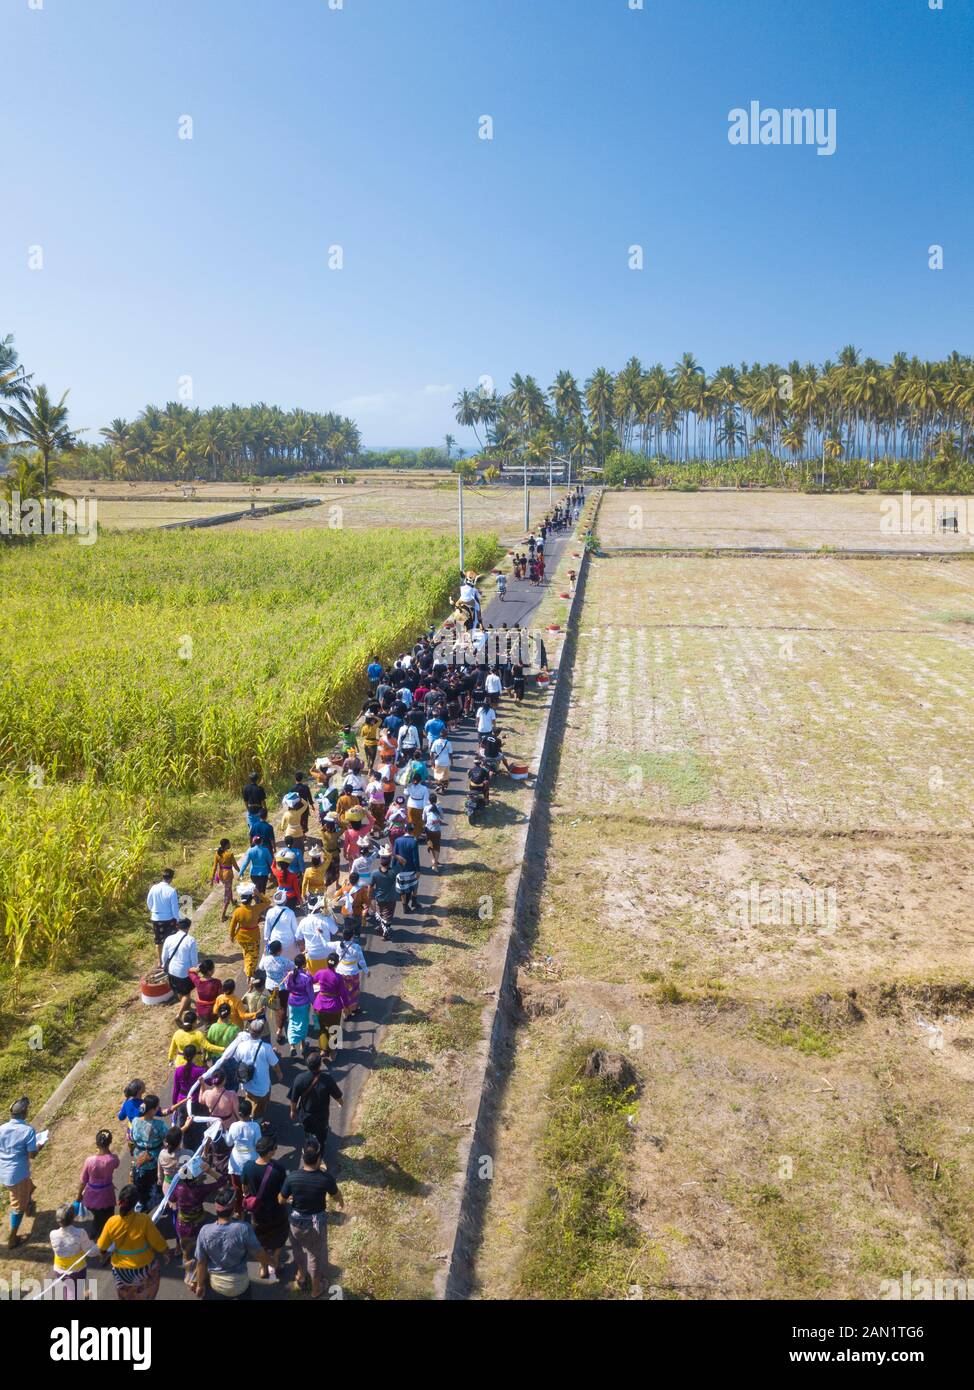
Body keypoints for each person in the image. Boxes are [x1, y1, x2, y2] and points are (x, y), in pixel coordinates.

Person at [279, 1139, 343, 1299]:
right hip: (315, 1224)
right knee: (315, 1255)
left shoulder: (292, 1177)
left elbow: (280, 1199)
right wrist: (341, 1203)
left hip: (295, 1222)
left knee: (297, 1249)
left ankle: (300, 1275)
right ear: (319, 1157)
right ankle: (316, 1288)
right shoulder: (325, 1178)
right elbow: (336, 1196)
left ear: (302, 1156)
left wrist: (288, 1199)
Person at [97, 1184, 169, 1302]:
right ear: (136, 1203)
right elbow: (157, 1241)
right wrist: (166, 1252)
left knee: (125, 1295)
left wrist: (103, 1255)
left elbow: (102, 1246)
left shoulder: (111, 1222)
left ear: (118, 1202)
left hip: (121, 1270)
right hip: (143, 1267)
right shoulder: (144, 1219)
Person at [194, 1186, 265, 1300]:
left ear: (216, 1210)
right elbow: (259, 1253)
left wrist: (200, 1285)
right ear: (233, 1210)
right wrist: (271, 1262)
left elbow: (201, 1263)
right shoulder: (244, 1228)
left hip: (217, 1286)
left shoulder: (205, 1231)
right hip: (241, 1284)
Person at [211, 1020, 282, 1118]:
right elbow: (275, 1064)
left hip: (246, 1082)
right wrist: (279, 1074)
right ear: (261, 1032)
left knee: (249, 1099)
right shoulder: (266, 1048)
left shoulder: (242, 1046)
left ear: (250, 1031)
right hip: (262, 1086)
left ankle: (248, 1115)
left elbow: (235, 1059)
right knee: (259, 1109)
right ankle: (256, 1121)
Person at [241, 1135, 288, 1283]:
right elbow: (283, 1192)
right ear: (269, 1152)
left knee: (260, 1240)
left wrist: (248, 1195)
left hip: (258, 1213)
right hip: (277, 1211)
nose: (275, 1149)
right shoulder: (278, 1169)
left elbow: (245, 1188)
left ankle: (263, 1267)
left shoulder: (248, 1167)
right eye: (274, 1148)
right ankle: (275, 1259)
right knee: (280, 1237)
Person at [287, 1049, 343, 1153]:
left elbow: (294, 1098)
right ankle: (320, 1151)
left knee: (308, 1133)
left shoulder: (299, 1078)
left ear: (307, 1064)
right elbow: (337, 1095)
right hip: (322, 1115)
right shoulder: (327, 1079)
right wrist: (340, 1102)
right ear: (320, 1065)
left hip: (305, 1115)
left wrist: (293, 1111)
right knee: (321, 1135)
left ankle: (310, 1150)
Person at [0, 1097, 38, 1249]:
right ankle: (12, 1239)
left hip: (4, 1171)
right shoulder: (28, 1130)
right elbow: (32, 1155)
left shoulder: (1, 1128)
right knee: (17, 1207)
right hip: (18, 1175)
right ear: (25, 1112)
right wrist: (38, 1146)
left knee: (31, 1187)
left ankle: (28, 1205)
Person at [77, 1129, 119, 1241]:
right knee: (109, 1217)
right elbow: (116, 1165)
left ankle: (95, 1235)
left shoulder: (89, 1161)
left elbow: (83, 1181)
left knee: (97, 1217)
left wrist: (78, 1197)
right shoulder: (113, 1159)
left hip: (92, 1197)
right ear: (110, 1142)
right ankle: (108, 1237)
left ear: (96, 1144)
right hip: (107, 1195)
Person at [50, 1203, 95, 1300]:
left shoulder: (53, 1234)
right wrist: (98, 1247)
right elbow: (90, 1252)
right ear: (73, 1218)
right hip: (77, 1270)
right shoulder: (80, 1233)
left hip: (59, 1269)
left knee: (68, 1288)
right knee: (75, 1292)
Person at [129, 1094, 167, 1210]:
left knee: (140, 1182)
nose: (158, 1109)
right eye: (157, 1108)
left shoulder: (135, 1121)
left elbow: (132, 1138)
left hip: (138, 1158)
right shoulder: (159, 1125)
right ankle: (155, 1201)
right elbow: (168, 1139)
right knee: (154, 1180)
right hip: (153, 1159)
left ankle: (140, 1202)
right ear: (153, 1109)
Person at [224, 1096, 261, 1214]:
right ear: (250, 1113)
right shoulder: (255, 1126)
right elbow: (258, 1144)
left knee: (237, 1189)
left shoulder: (234, 1126)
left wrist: (225, 1134)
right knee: (252, 1187)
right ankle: (251, 1206)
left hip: (236, 1164)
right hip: (251, 1162)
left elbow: (229, 1143)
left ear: (239, 1113)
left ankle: (239, 1210)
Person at [312, 955, 350, 1060]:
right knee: (334, 1029)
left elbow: (312, 980)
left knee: (320, 1028)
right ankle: (333, 1051)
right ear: (337, 963)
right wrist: (346, 1006)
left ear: (326, 962)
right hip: (334, 1007)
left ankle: (323, 1050)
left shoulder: (320, 972)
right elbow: (343, 994)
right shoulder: (338, 977)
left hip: (318, 1006)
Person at [228, 881, 265, 979]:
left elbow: (232, 925)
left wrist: (231, 936)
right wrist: (258, 894)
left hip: (241, 937)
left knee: (246, 953)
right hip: (253, 937)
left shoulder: (237, 911)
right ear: (251, 899)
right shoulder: (256, 908)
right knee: (253, 956)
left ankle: (248, 969)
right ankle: (249, 974)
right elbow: (268, 902)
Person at [160, 916, 199, 1002]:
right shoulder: (191, 940)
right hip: (184, 973)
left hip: (171, 971)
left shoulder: (169, 938)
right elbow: (194, 959)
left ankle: (182, 1003)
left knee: (178, 991)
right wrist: (195, 969)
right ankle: (184, 1009)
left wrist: (163, 965)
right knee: (186, 994)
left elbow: (164, 956)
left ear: (178, 927)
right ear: (188, 927)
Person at [146, 868, 180, 964]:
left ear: (162, 877)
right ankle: (169, 959)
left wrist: (154, 911)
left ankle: (160, 961)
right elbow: (175, 909)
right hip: (169, 919)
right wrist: (177, 920)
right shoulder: (171, 891)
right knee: (170, 939)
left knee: (158, 941)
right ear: (171, 878)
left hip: (156, 919)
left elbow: (149, 903)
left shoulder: (153, 888)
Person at [283, 954, 315, 1057]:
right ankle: (302, 1044)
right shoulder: (307, 977)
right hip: (304, 1003)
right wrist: (314, 1003)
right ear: (304, 964)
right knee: (303, 1023)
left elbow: (287, 987)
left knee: (292, 1021)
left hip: (292, 1001)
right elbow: (310, 992)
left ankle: (292, 1045)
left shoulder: (290, 975)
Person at [332, 927, 368, 1017]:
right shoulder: (356, 947)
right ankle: (353, 1008)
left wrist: (319, 935)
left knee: (342, 991)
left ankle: (344, 1009)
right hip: (352, 973)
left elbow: (326, 945)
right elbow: (361, 961)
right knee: (354, 991)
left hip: (341, 972)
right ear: (352, 937)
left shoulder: (338, 945)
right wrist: (366, 971)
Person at [368, 850, 399, 937]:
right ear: (390, 860)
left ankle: (382, 928)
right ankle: (386, 932)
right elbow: (403, 861)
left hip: (379, 898)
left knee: (381, 914)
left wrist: (368, 899)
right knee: (387, 917)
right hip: (391, 899)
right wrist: (393, 854)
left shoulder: (374, 873)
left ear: (380, 860)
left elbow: (370, 887)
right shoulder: (394, 871)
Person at [392, 826, 421, 913]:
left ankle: (405, 906)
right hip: (411, 869)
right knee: (414, 885)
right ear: (413, 831)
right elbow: (415, 858)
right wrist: (418, 870)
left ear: (405, 830)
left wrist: (393, 868)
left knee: (402, 889)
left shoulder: (397, 840)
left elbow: (395, 855)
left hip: (400, 870)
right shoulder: (414, 841)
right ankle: (414, 902)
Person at [211, 839, 239, 922]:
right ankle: (222, 916)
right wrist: (241, 872)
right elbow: (235, 866)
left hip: (221, 875)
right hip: (228, 876)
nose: (230, 844)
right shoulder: (230, 854)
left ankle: (233, 902)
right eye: (229, 843)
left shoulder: (217, 854)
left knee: (228, 888)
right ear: (226, 845)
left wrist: (212, 878)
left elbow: (214, 867)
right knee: (226, 894)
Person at [188, 958, 222, 1025]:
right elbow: (220, 996)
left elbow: (189, 971)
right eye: (213, 968)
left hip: (200, 1010)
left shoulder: (197, 981)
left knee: (206, 1025)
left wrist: (196, 969)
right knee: (214, 1025)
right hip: (212, 1010)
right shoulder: (217, 982)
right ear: (210, 971)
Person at [404, 772, 430, 837]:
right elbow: (425, 800)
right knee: (418, 822)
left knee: (411, 820)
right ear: (420, 780)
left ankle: (410, 834)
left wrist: (405, 786)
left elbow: (406, 793)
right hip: (419, 806)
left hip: (410, 805)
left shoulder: (409, 786)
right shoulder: (424, 788)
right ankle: (417, 835)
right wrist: (425, 809)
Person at [423, 793, 444, 872]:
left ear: (429, 800)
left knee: (430, 845)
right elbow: (442, 817)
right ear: (436, 800)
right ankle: (435, 863)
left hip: (428, 830)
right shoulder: (439, 807)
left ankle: (433, 861)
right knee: (437, 846)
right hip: (437, 830)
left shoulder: (426, 808)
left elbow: (424, 818)